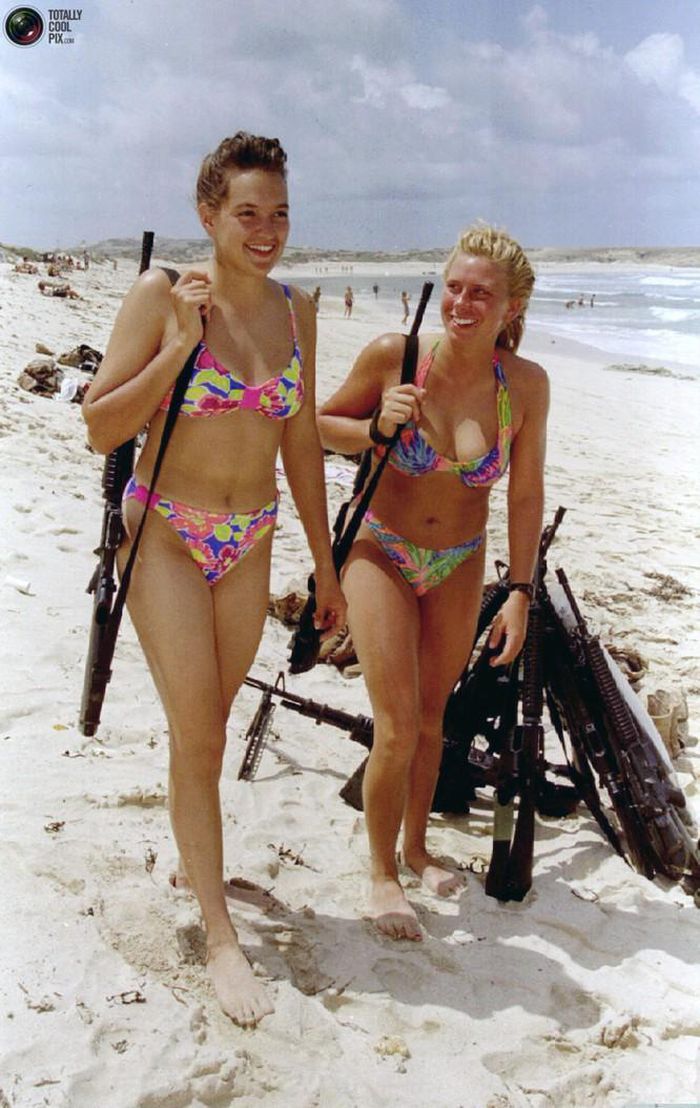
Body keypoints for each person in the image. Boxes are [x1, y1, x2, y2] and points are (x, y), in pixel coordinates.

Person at [82, 132, 346, 1026]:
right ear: (209, 214)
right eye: (247, 212)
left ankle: (192, 851)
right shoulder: (162, 294)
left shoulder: (297, 311)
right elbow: (100, 426)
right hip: (165, 533)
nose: (266, 230)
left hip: (251, 538)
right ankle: (221, 936)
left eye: (280, 213)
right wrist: (178, 349)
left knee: (209, 727)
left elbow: (301, 443)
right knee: (198, 732)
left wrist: (325, 564)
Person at [317, 223, 548, 942]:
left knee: (430, 720)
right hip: (380, 548)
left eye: (481, 293)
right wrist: (373, 431)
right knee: (394, 725)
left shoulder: (524, 386)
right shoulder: (397, 356)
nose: (461, 303)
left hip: (460, 560)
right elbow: (318, 425)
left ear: (511, 306)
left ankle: (416, 850)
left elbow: (526, 496)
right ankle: (382, 874)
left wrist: (520, 592)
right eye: (454, 287)